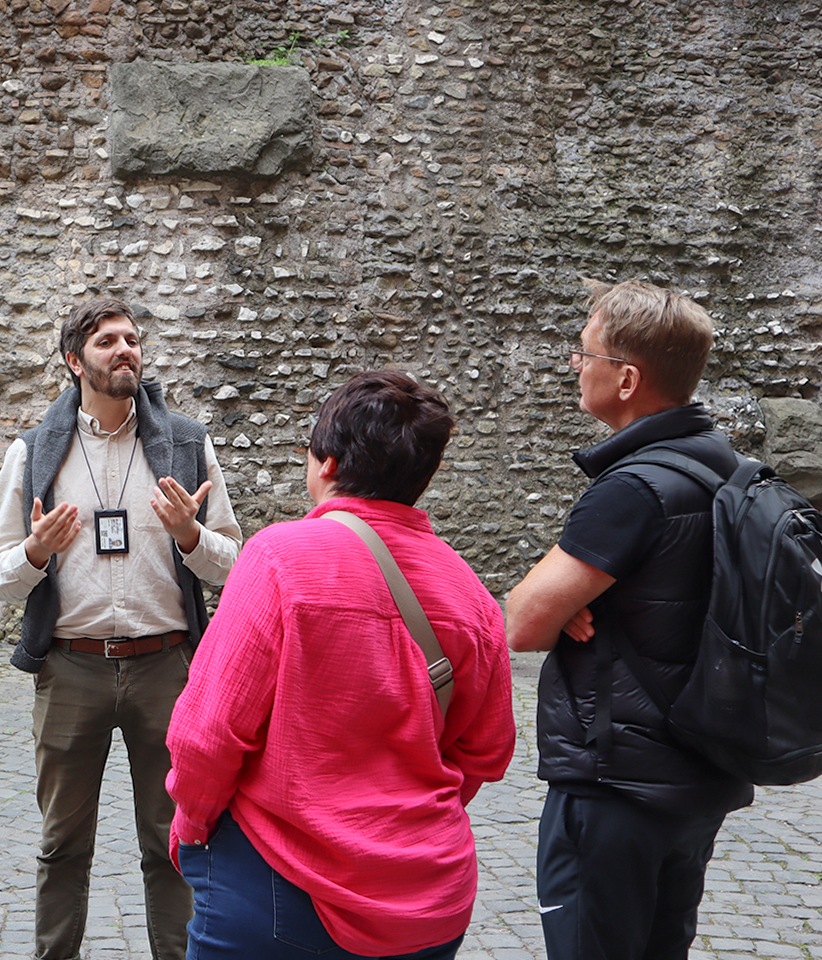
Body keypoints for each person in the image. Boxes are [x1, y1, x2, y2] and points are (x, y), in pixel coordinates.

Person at [166, 370, 516, 960]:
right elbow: (485, 751)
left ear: (325, 464)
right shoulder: (470, 593)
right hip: (429, 901)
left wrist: (193, 831)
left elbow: (208, 734)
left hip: (278, 884)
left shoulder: (279, 558)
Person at [0, 297, 243, 960]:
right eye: (107, 342)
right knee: (62, 845)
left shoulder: (186, 444)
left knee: (172, 840)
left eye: (132, 339)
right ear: (75, 362)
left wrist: (189, 534)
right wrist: (37, 551)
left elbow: (232, 564)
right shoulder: (34, 452)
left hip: (166, 668)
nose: (125, 349)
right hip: (70, 669)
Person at [506, 279, 753, 960]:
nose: (575, 366)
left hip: (616, 782)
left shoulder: (632, 489)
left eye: (584, 353)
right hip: (696, 773)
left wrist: (574, 603)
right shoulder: (729, 471)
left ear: (627, 378)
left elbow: (522, 622)